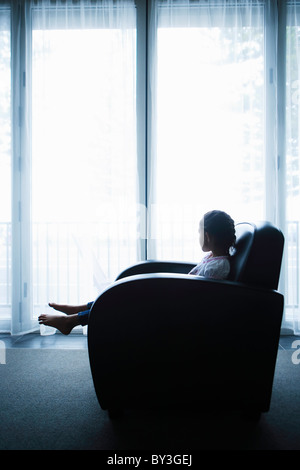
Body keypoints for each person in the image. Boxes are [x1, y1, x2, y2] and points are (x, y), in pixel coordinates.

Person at [38, 210, 236, 335]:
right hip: (176, 301)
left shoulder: (218, 267)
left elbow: (202, 296)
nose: (198, 236)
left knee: (123, 300)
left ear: (208, 236)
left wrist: (166, 292)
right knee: (121, 295)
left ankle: (71, 321)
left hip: (178, 310)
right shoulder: (214, 259)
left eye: (199, 232)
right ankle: (78, 310)